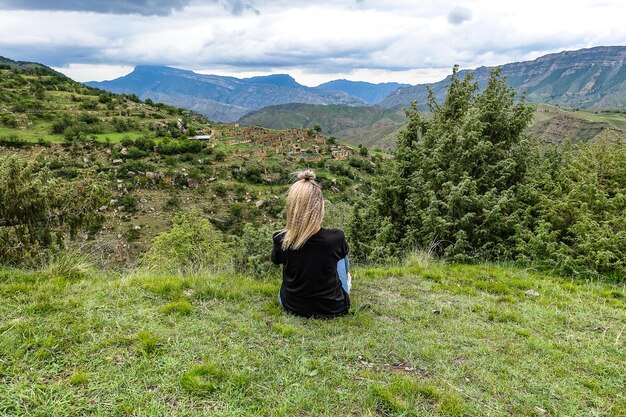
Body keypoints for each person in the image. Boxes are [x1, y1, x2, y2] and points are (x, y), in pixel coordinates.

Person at [271, 169, 351, 318]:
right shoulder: (335, 238)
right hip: (333, 308)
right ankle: (346, 281)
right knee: (342, 253)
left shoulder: (280, 238)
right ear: (319, 207)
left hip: (291, 305)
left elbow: (276, 261)